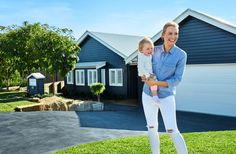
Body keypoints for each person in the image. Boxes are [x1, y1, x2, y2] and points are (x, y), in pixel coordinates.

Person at [141, 21, 188, 154]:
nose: (173, 36)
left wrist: (156, 84)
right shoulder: (153, 50)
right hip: (148, 94)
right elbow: (143, 66)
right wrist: (144, 77)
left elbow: (177, 79)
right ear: (163, 35)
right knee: (151, 127)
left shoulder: (181, 55)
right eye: (170, 33)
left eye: (176, 33)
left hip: (166, 96)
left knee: (172, 129)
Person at [137, 37, 160, 103]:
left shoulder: (148, 54)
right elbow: (141, 67)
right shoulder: (142, 57)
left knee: (154, 82)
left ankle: (154, 95)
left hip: (147, 72)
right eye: (147, 49)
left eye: (151, 48)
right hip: (144, 72)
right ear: (141, 50)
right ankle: (155, 96)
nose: (150, 50)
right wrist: (148, 74)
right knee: (154, 81)